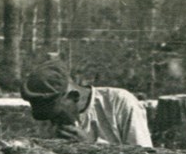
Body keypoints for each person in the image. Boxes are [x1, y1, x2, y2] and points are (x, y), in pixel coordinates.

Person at [20, 60, 153, 148]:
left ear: (73, 96)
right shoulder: (49, 114)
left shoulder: (120, 103)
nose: (55, 123)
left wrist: (91, 146)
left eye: (57, 116)